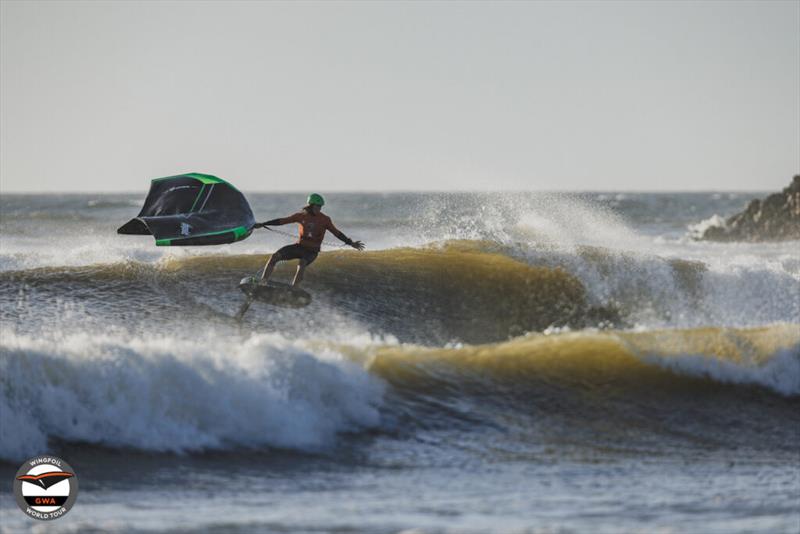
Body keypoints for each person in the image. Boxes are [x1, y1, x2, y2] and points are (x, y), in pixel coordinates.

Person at [254, 193, 364, 287]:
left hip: (312, 251)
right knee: (274, 256)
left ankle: (294, 289)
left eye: (320, 207)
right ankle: (263, 282)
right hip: (298, 247)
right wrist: (263, 224)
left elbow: (337, 233)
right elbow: (282, 221)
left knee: (302, 263)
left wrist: (351, 243)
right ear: (310, 205)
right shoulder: (301, 216)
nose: (319, 209)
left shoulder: (325, 219)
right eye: (317, 206)